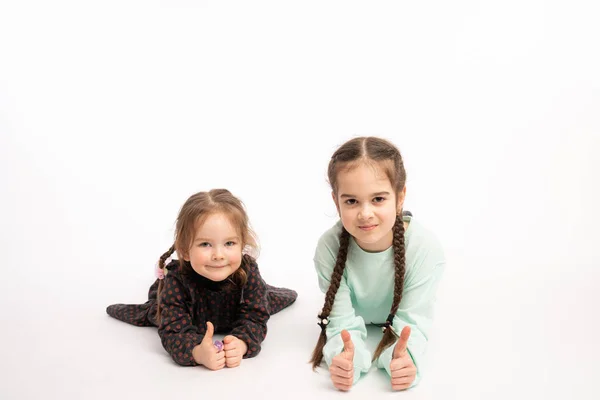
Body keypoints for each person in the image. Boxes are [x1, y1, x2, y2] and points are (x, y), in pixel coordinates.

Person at [107, 189, 297, 370]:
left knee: (266, 299)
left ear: (242, 245)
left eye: (229, 243)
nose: (218, 255)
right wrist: (197, 352)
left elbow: (255, 316)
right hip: (178, 297)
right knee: (155, 311)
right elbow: (173, 330)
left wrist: (242, 342)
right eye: (205, 244)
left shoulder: (248, 272)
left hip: (238, 297)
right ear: (184, 250)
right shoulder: (177, 282)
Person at [310, 137, 445, 391]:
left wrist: (405, 358)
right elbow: (340, 321)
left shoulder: (425, 249)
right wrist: (346, 358)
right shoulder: (328, 248)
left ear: (401, 195)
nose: (365, 213)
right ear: (335, 201)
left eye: (378, 199)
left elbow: (412, 323)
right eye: (351, 201)